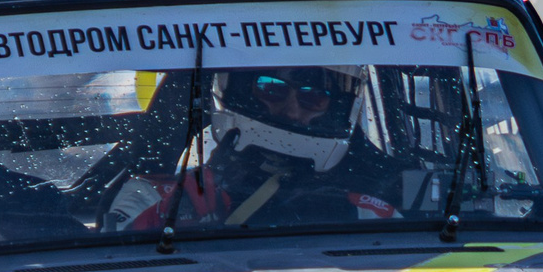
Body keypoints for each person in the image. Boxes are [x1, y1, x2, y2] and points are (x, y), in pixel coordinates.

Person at [105, 67, 396, 232]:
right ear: (241, 91)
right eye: (272, 88)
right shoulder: (157, 195)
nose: (292, 111)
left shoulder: (364, 210)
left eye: (314, 97)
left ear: (333, 108)